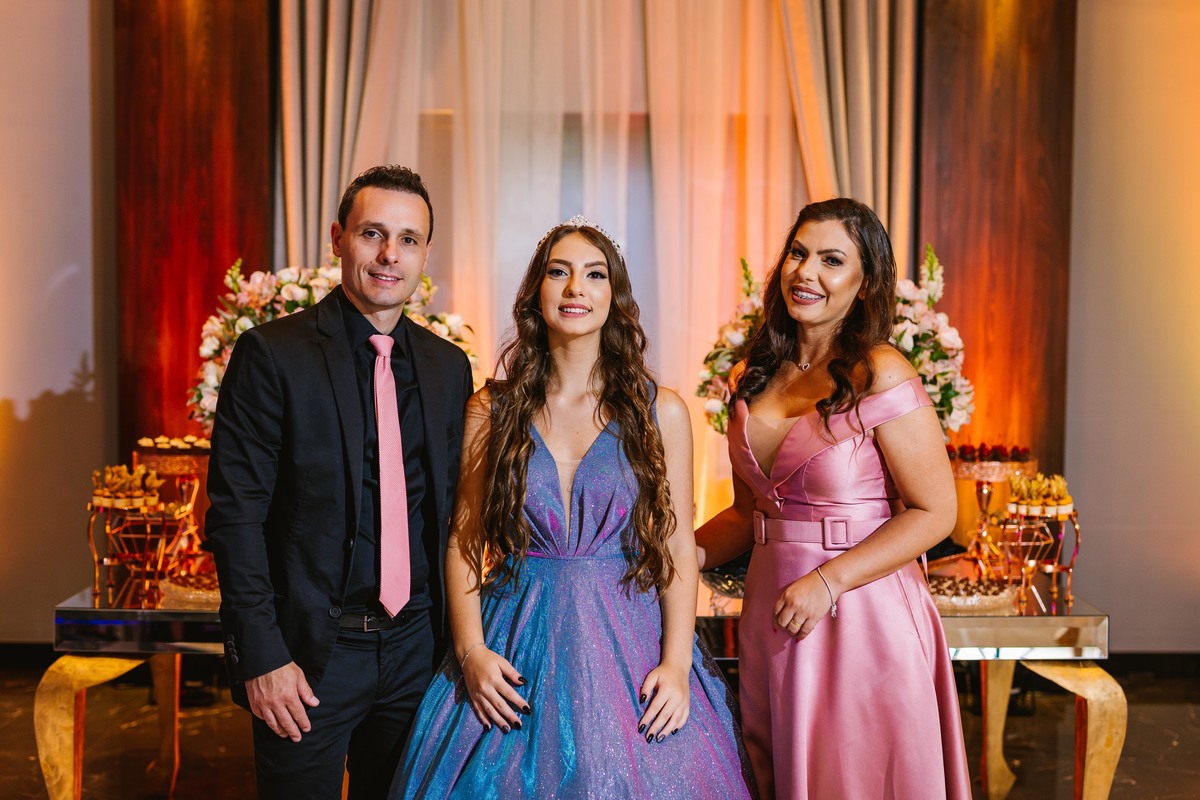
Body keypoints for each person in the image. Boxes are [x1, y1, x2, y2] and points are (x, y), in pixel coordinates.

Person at [389, 217, 754, 799]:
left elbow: (677, 546)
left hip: (629, 643)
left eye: (594, 274)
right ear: (537, 291)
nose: (575, 287)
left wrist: (677, 665)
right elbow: (464, 540)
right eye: (558, 272)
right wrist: (472, 651)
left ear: (615, 295)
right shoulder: (492, 409)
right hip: (516, 635)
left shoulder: (662, 411)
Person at [206, 165, 474, 799]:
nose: (389, 255)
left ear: (425, 253)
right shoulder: (272, 355)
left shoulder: (448, 368)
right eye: (372, 233)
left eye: (408, 239)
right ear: (338, 239)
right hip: (307, 658)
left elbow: (453, 517)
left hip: (418, 653)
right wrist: (263, 655)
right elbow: (236, 517)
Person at [696, 199, 971, 799]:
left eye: (831, 260)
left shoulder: (882, 371)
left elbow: (936, 512)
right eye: (798, 253)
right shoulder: (750, 375)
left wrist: (830, 581)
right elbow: (748, 514)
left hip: (861, 610)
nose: (806, 272)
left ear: (864, 281)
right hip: (772, 611)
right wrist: (678, 555)